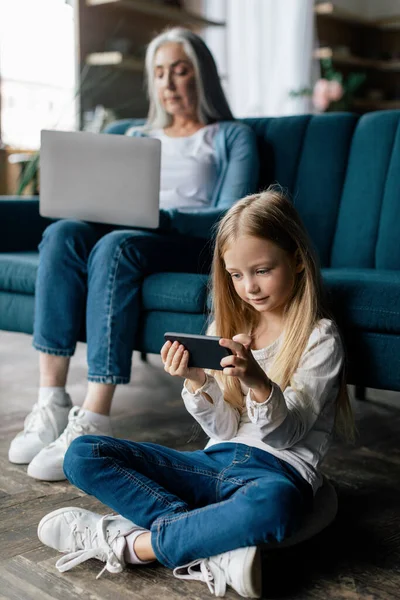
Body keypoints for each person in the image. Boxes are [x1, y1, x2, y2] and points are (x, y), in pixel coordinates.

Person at [37, 188, 355, 598]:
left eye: (262, 270)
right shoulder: (227, 327)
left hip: (274, 472)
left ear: (295, 258)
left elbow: (285, 436)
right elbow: (222, 428)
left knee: (275, 507)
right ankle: (210, 544)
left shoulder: (319, 337)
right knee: (81, 453)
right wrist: (196, 380)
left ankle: (132, 544)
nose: (249, 288)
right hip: (211, 462)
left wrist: (258, 382)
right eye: (236, 275)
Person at [8, 27, 259, 481]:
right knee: (64, 231)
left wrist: (163, 215)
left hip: (185, 238)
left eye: (180, 71)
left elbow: (234, 214)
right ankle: (51, 402)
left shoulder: (230, 136)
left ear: (201, 76)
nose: (168, 82)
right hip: (125, 231)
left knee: (114, 245)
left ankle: (94, 416)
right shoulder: (135, 134)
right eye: (160, 73)